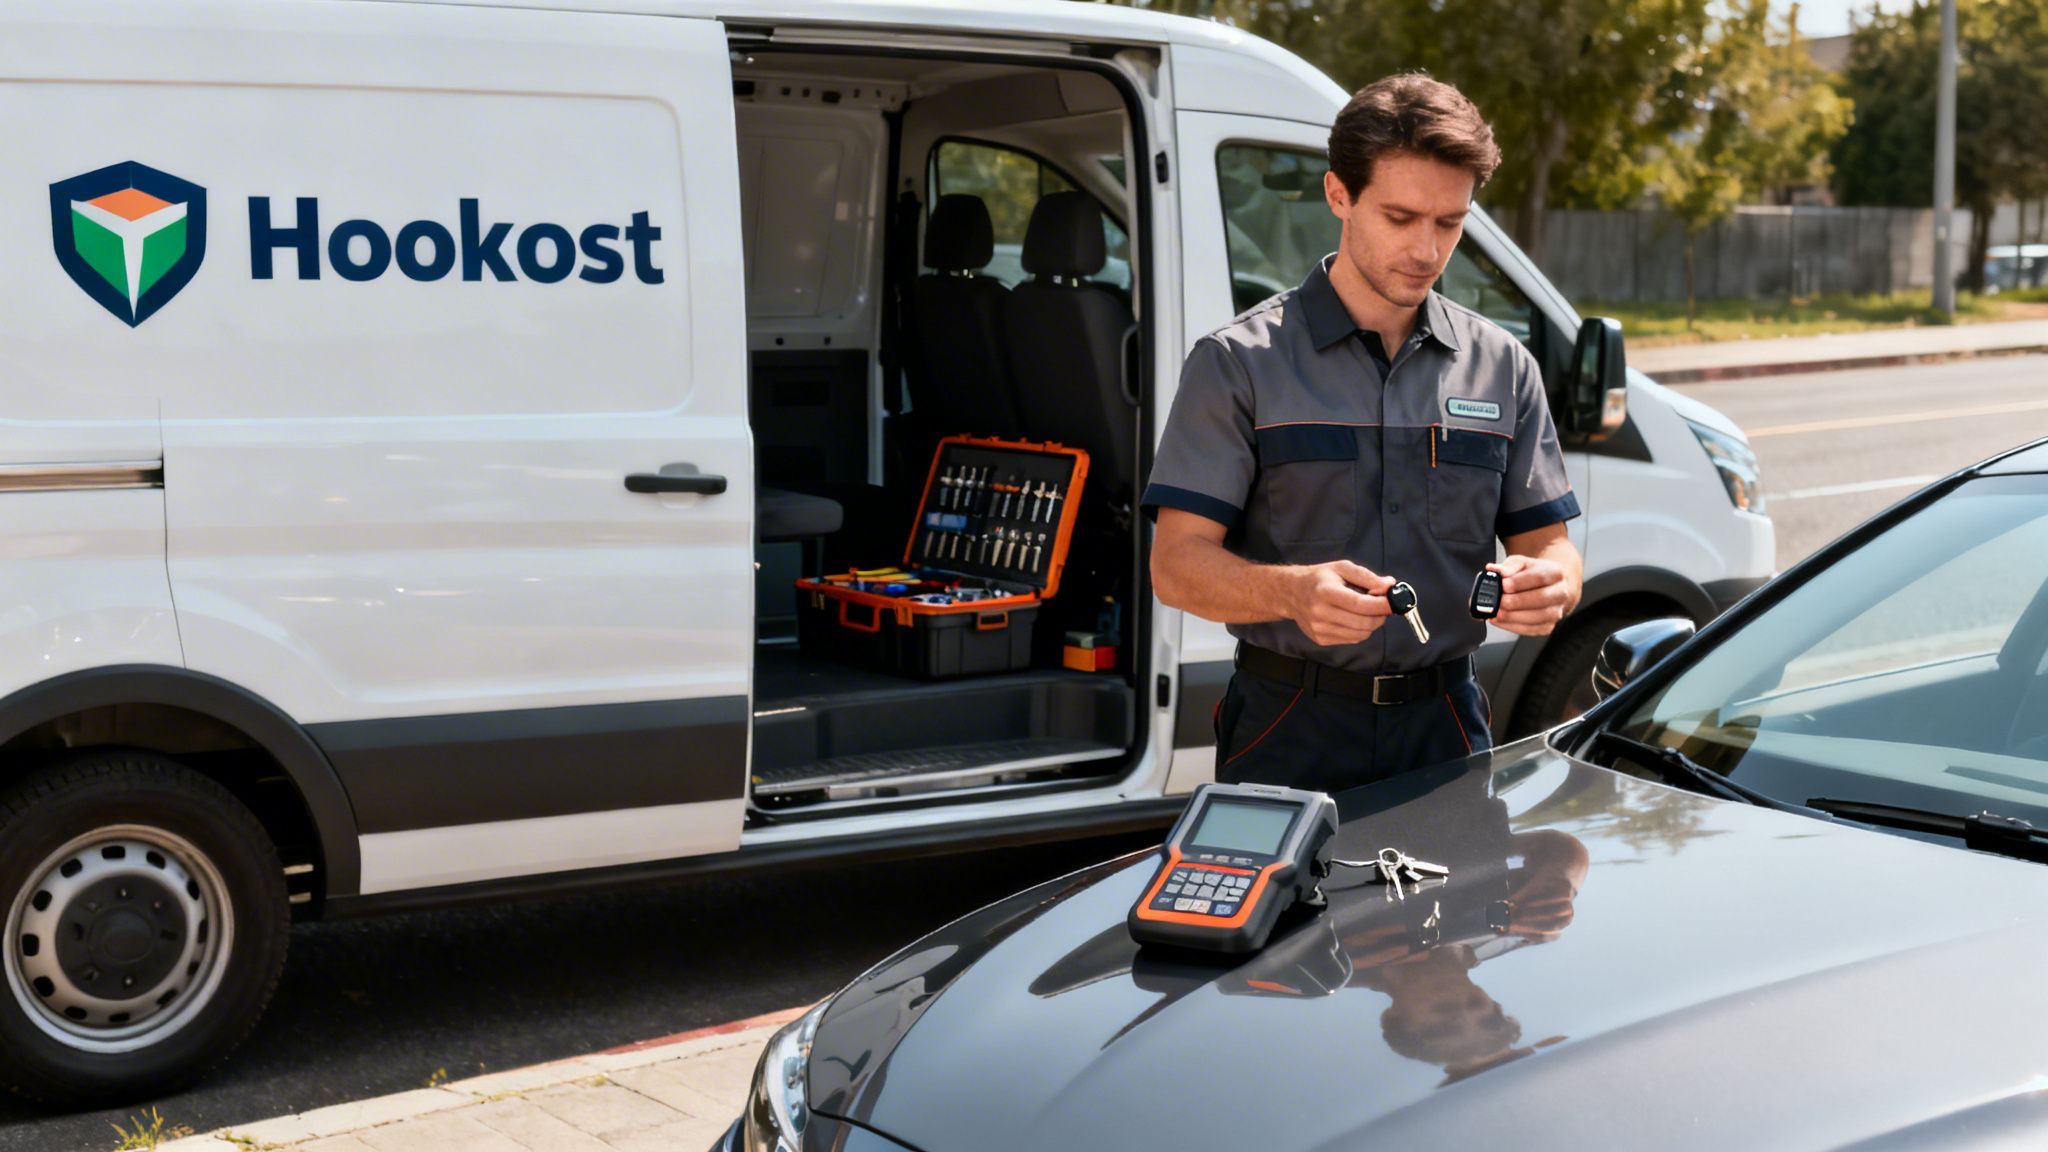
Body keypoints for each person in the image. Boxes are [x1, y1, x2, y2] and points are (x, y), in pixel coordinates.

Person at [1143, 73, 1582, 793]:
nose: (1427, 249)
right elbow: (1177, 565)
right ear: (1338, 196)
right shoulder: (1237, 364)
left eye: (1450, 223)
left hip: (1447, 725)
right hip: (1288, 724)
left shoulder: (1503, 367)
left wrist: (1550, 586)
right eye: (1401, 217)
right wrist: (1293, 594)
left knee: (1458, 907)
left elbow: (1554, 550)